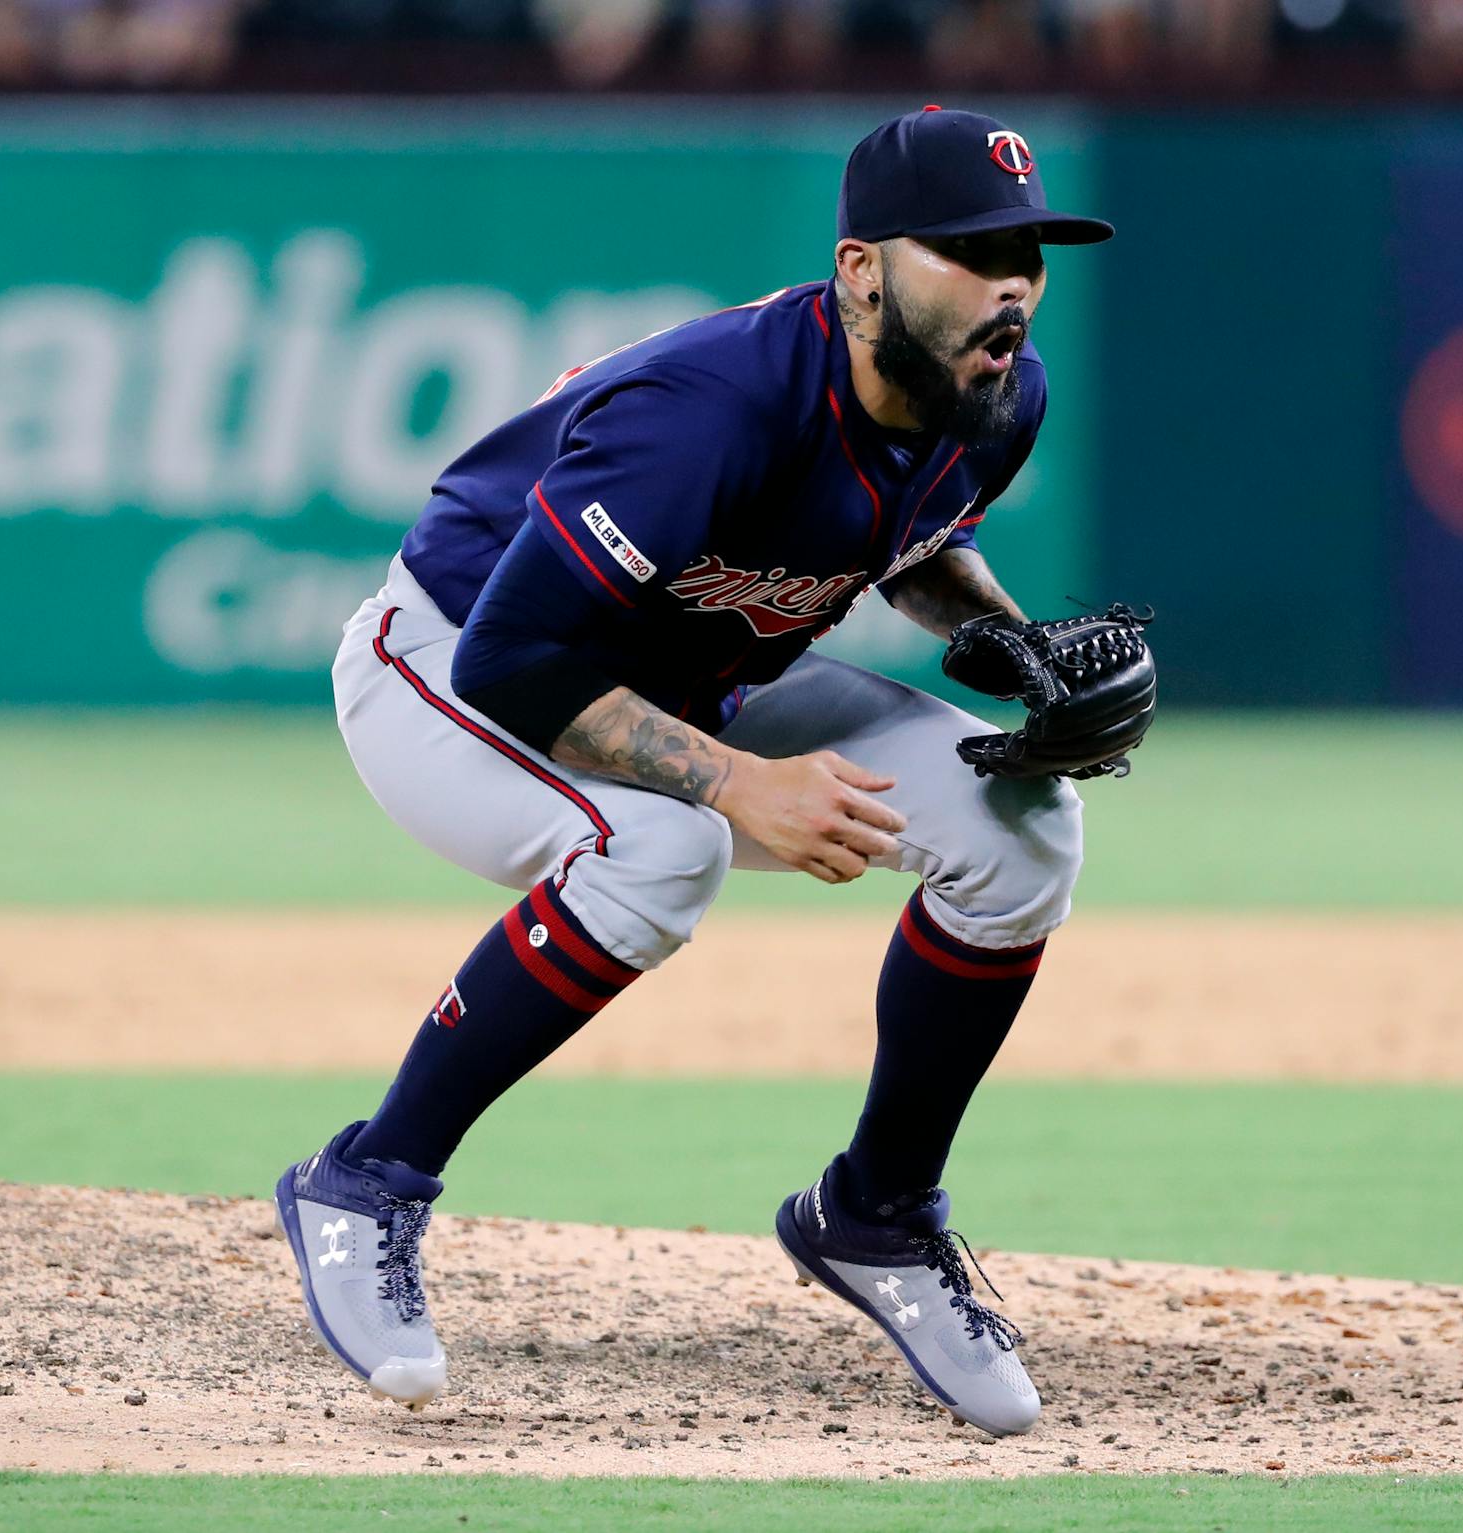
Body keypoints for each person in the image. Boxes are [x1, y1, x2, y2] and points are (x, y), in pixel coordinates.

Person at [273, 106, 1124, 1438]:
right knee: (665, 847)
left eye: (1027, 247)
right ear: (860, 272)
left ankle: (879, 1216)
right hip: (443, 663)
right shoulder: (712, 406)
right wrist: (728, 778)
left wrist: (1012, 650)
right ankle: (368, 1176)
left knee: (1024, 830)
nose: (1011, 279)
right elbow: (514, 657)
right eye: (967, 247)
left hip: (697, 673)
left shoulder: (995, 393)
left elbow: (902, 538)